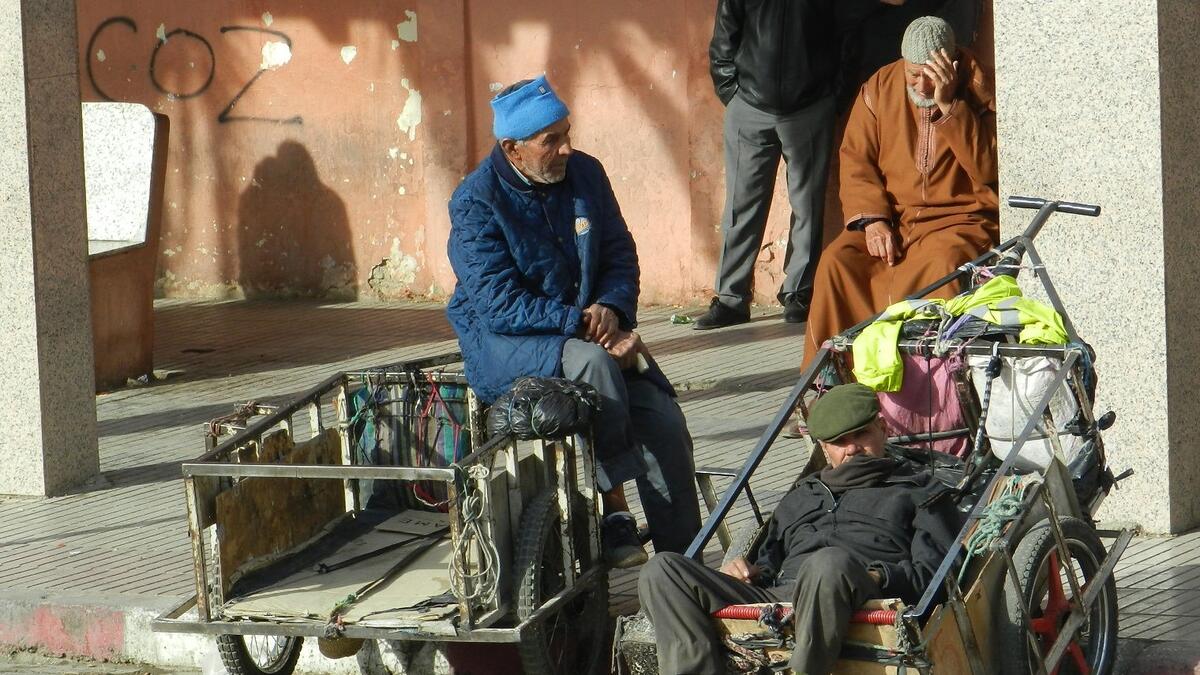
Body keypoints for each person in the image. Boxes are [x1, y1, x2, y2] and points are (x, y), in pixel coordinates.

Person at [446, 76, 702, 568]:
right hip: (505, 343)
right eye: (551, 141)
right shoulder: (475, 202)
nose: (566, 147)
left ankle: (685, 565)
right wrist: (581, 324)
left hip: (586, 331)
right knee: (592, 364)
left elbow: (619, 254)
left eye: (567, 133)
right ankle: (616, 511)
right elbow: (498, 303)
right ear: (513, 150)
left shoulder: (587, 174)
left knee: (665, 422)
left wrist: (612, 310)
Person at [638, 383, 959, 674]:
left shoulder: (918, 491)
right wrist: (747, 570)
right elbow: (769, 564)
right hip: (784, 595)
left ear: (882, 428)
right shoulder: (803, 494)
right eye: (839, 442)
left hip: (864, 592)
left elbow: (938, 576)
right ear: (823, 447)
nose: (851, 450)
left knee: (828, 562)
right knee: (662, 569)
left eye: (861, 435)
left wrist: (879, 575)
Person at [800, 15, 998, 371]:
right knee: (836, 264)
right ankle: (829, 388)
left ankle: (930, 396)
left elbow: (987, 168)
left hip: (959, 221)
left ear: (950, 65)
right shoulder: (880, 87)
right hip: (894, 219)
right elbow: (856, 159)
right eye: (913, 75)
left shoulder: (981, 87)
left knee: (943, 268)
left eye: (930, 76)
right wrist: (873, 219)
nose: (921, 86)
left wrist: (951, 105)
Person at [695, 0, 906, 331]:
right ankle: (731, 299)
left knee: (807, 205)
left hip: (810, 108)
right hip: (748, 106)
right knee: (741, 206)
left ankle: (798, 293)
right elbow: (724, 37)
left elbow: (848, 38)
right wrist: (730, 90)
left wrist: (832, 98)